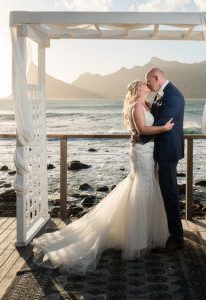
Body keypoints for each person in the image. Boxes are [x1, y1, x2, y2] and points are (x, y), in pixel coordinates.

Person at [32, 79, 174, 274]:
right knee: (142, 187)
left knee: (144, 187)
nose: (147, 85)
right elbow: (141, 130)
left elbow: (146, 125)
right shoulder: (135, 106)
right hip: (141, 152)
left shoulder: (145, 104)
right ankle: (138, 239)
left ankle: (142, 234)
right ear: (138, 89)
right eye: (144, 84)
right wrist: (164, 129)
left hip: (148, 151)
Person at [138, 67, 185, 252]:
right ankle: (171, 230)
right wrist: (148, 109)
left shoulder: (173, 95)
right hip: (161, 148)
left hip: (168, 151)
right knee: (165, 191)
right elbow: (157, 117)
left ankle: (177, 238)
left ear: (156, 78)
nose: (148, 85)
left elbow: (163, 123)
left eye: (149, 81)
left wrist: (140, 135)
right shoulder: (162, 94)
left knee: (170, 192)